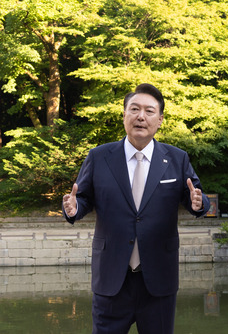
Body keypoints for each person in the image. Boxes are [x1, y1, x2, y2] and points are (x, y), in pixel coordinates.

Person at [62, 83, 210, 334]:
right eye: (135, 109)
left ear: (160, 119)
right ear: (124, 115)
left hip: (158, 280)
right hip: (111, 279)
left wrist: (199, 204)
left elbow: (195, 196)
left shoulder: (176, 158)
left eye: (149, 111)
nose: (141, 116)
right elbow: (83, 198)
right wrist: (74, 208)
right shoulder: (99, 156)